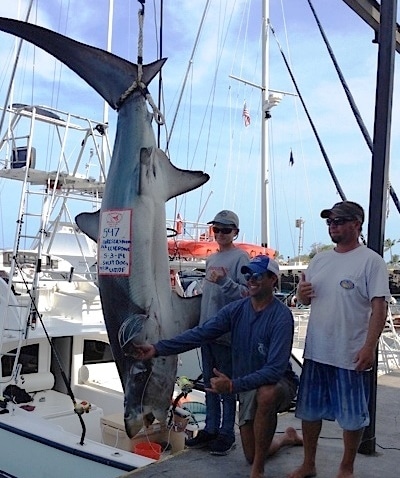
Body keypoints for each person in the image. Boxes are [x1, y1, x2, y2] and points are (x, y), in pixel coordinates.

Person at [133, 255, 302, 478]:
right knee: (250, 453)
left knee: (266, 394)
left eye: (258, 275)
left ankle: (258, 470)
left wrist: (233, 385)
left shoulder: (281, 317)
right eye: (248, 275)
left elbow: (274, 370)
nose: (251, 279)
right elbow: (200, 333)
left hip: (278, 383)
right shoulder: (237, 309)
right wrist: (157, 348)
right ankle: (286, 439)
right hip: (248, 384)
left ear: (273, 279)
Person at [289, 201, 391, 478]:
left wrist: (369, 347)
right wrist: (301, 295)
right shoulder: (320, 259)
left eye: (339, 221)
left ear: (357, 224)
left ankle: (346, 467)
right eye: (330, 221)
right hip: (316, 351)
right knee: (309, 413)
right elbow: (304, 301)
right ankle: (309, 463)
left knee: (352, 417)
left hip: (350, 353)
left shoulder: (372, 261)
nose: (333, 225)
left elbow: (379, 308)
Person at [186, 209, 249, 455]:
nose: (220, 233)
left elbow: (247, 294)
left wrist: (225, 282)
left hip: (226, 334)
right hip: (207, 331)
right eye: (217, 229)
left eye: (226, 229)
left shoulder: (241, 258)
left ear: (235, 232)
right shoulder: (211, 258)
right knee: (209, 385)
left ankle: (226, 433)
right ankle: (210, 428)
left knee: (225, 385)